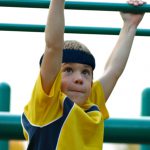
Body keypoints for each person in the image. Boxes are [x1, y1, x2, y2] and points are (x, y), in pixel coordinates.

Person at [21, 0, 146, 149]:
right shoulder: (47, 105)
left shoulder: (88, 103)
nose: (79, 79)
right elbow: (53, 47)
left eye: (86, 72)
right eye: (68, 70)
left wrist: (130, 25)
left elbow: (113, 71)